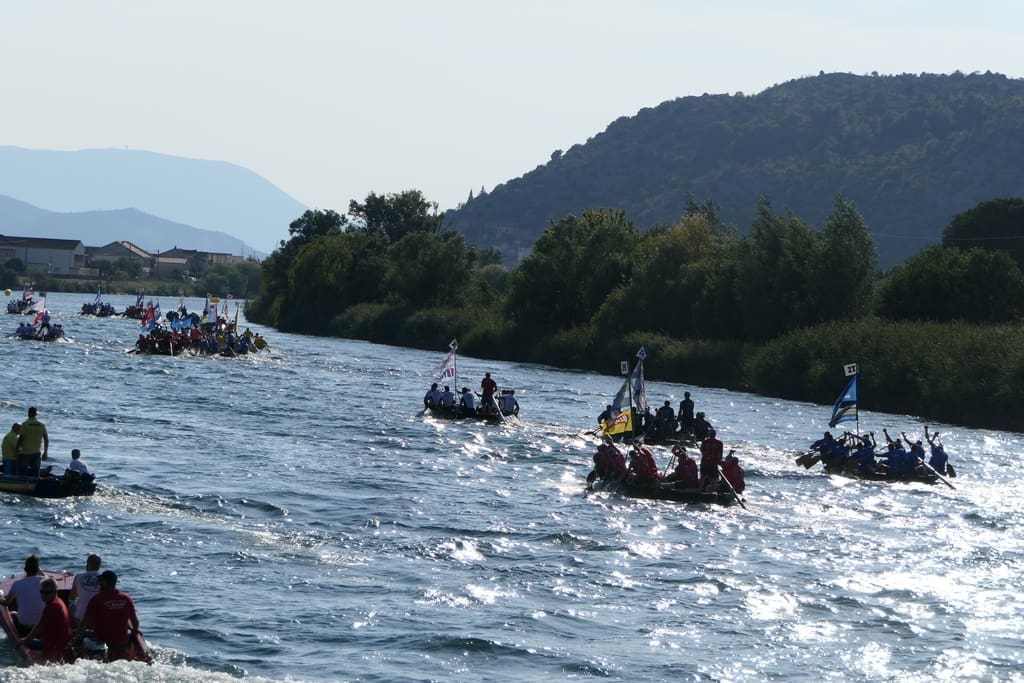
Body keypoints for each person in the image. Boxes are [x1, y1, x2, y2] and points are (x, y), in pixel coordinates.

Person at [73, 570, 141, 663]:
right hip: (121, 642)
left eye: (100, 581)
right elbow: (135, 623)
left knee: (80, 638)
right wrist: (135, 633)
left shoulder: (96, 599)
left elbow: (85, 623)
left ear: (103, 582)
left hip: (102, 642)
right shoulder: (126, 598)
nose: (98, 584)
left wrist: (74, 639)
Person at [17, 577, 72, 664]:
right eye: (42, 592)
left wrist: (25, 640)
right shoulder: (59, 602)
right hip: (62, 643)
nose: (44, 595)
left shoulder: (52, 606)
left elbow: (40, 626)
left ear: (55, 592)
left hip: (53, 646)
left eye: (47, 592)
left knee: (19, 643)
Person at [0, 555, 45, 636]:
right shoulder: (45, 582)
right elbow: (52, 581)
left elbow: (7, 602)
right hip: (42, 626)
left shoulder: (17, 584)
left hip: (24, 627)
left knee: (12, 613)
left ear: (25, 569)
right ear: (38, 569)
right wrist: (41, 572)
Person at [70, 554, 102, 627]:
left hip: (80, 618)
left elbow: (72, 597)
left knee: (72, 603)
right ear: (99, 565)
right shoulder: (105, 577)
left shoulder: (78, 576)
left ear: (87, 564)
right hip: (98, 619)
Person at [16, 406, 48, 477]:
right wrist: (45, 452)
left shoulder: (25, 424)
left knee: (22, 473)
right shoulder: (41, 425)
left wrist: (17, 448)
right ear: (36, 414)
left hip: (25, 453)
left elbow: (21, 438)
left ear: (28, 413)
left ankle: (22, 486)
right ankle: (35, 486)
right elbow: (46, 439)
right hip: (36, 453)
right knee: (36, 473)